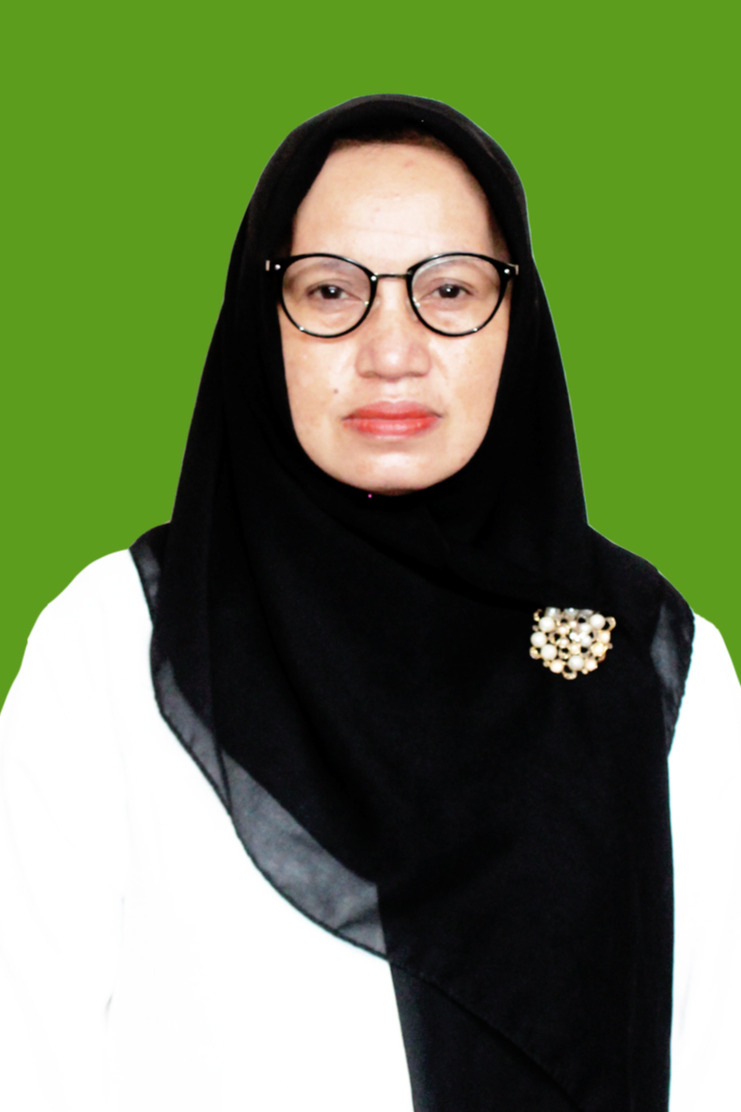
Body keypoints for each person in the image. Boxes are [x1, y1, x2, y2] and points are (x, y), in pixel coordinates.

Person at [0, 94, 738, 1112]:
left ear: (517, 318)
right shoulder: (115, 642)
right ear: (262, 318)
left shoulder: (649, 660)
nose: (393, 350)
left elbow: (719, 1060)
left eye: (451, 288)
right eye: (330, 290)